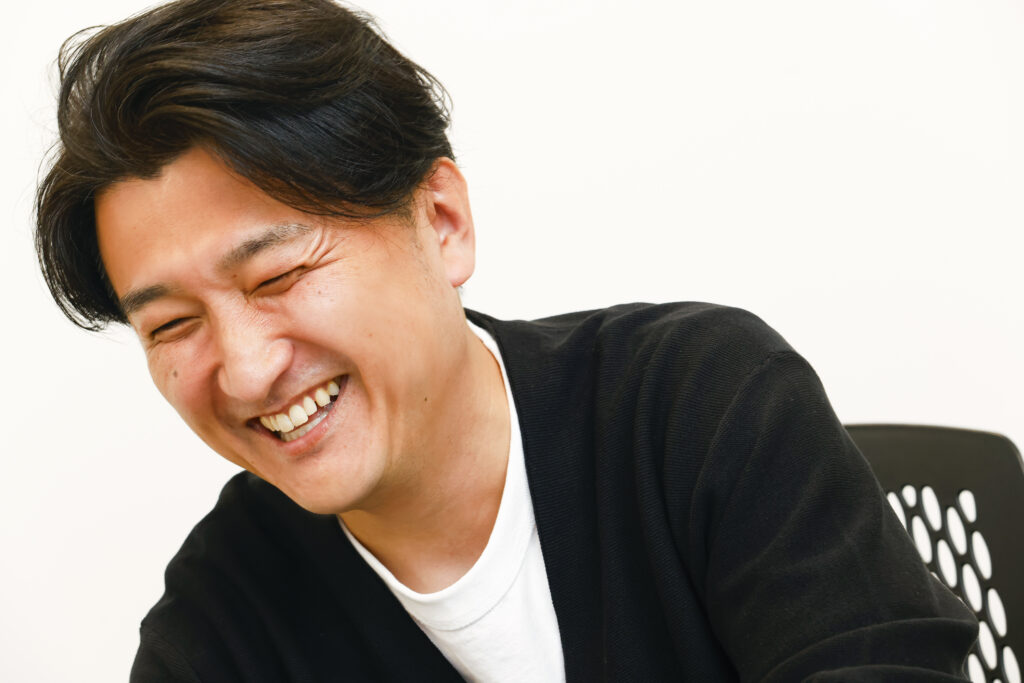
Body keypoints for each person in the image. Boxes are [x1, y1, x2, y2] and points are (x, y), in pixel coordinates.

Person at [36, 0, 977, 680]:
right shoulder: (223, 619)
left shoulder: (699, 403)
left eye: (277, 276)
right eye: (172, 323)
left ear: (441, 221)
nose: (245, 369)